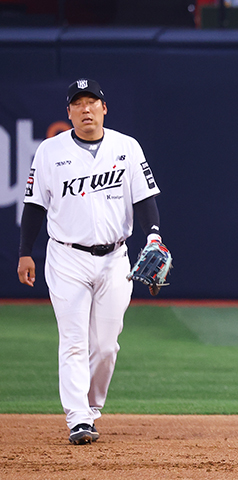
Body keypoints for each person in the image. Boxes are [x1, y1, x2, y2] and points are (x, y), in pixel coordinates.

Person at [16, 78, 165, 445]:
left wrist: (154, 236)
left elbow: (144, 198)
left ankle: (91, 407)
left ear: (104, 108)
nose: (86, 109)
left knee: (105, 345)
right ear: (68, 112)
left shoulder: (126, 147)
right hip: (66, 257)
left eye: (92, 102)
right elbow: (34, 205)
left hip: (115, 258)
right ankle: (78, 417)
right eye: (78, 103)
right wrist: (24, 251)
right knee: (73, 341)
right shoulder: (50, 151)